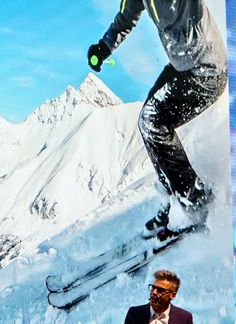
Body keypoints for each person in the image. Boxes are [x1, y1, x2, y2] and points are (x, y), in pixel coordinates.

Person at [88, 0, 227, 239]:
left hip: (207, 69)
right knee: (148, 123)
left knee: (153, 120)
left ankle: (194, 203)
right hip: (182, 66)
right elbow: (125, 18)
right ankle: (176, 198)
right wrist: (104, 48)